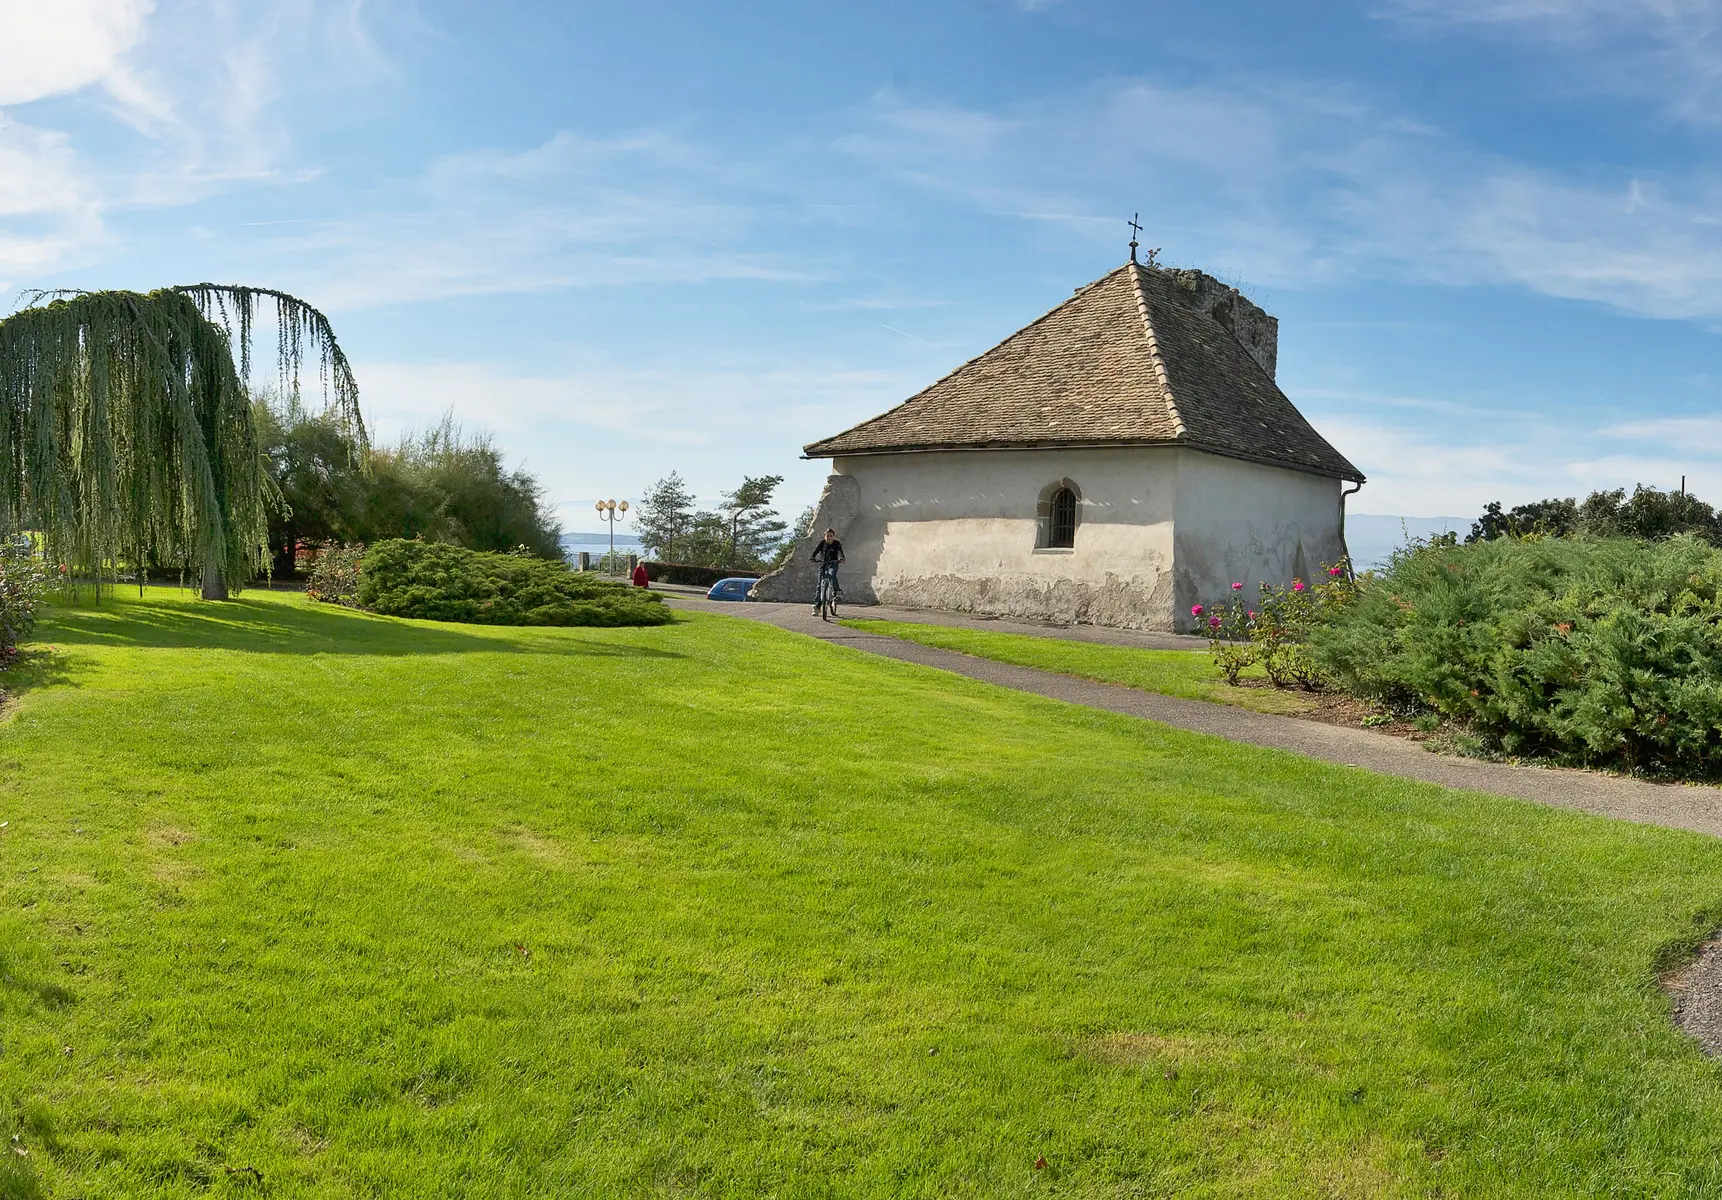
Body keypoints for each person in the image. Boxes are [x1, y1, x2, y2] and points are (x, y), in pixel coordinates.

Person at [810, 528, 844, 612]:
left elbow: (840, 552)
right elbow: (816, 551)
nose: (829, 537)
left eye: (831, 536)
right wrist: (812, 557)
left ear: (833, 536)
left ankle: (837, 592)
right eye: (827, 536)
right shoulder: (822, 543)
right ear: (824, 536)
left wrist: (841, 558)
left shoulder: (837, 543)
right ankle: (817, 607)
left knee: (832, 574)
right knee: (819, 585)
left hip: (833, 563)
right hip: (823, 564)